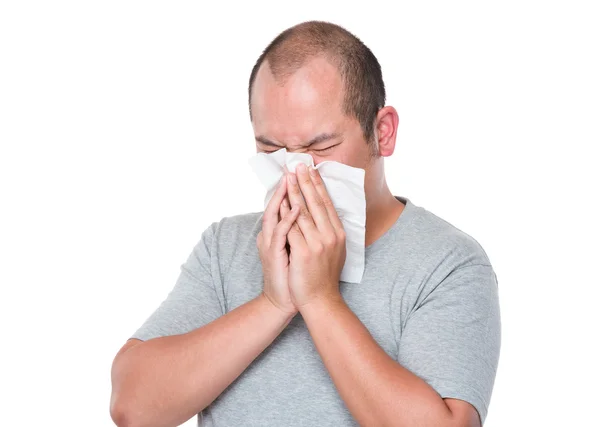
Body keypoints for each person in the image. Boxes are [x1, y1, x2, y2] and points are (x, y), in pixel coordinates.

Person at [109, 20, 501, 427]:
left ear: (382, 133)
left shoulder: (448, 263)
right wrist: (274, 303)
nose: (297, 172)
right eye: (271, 149)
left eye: (321, 146)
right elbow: (132, 407)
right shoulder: (227, 246)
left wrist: (319, 299)